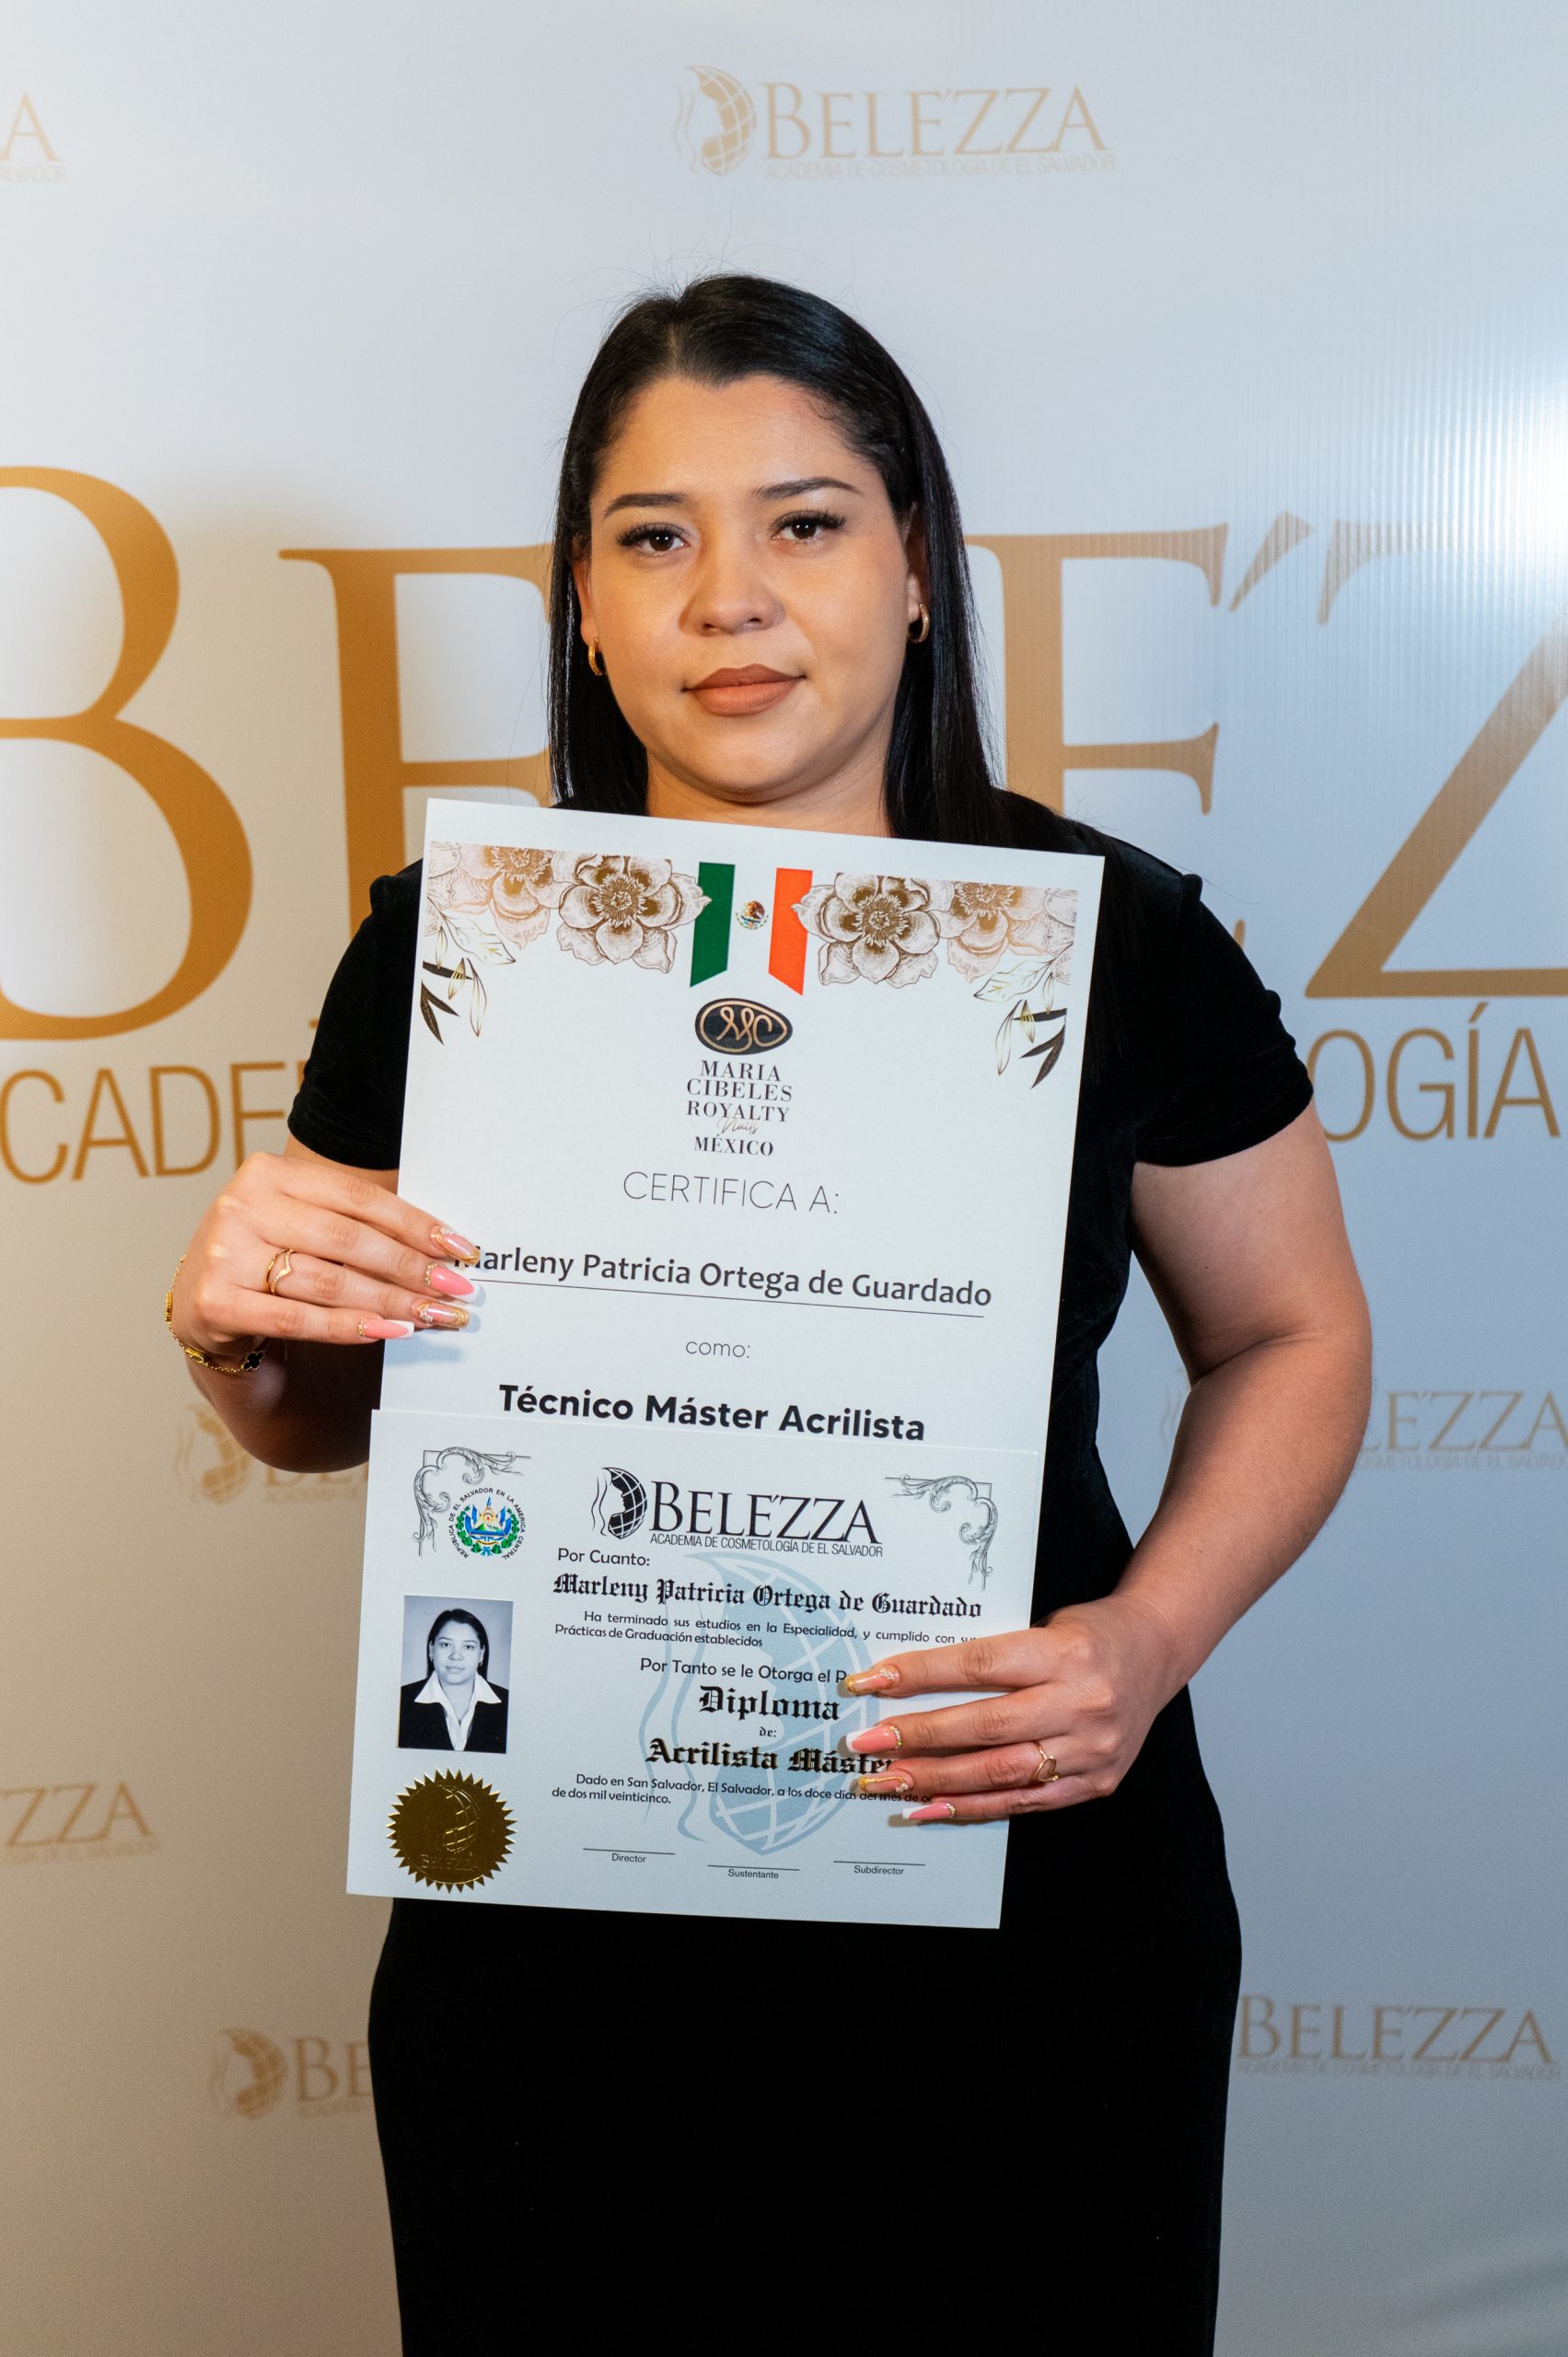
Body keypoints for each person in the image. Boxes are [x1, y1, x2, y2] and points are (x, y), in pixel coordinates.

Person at [165, 274, 1370, 2351]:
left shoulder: (1118, 943)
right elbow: (322, 1409)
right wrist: (236, 1329)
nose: (728, 595)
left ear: (916, 570)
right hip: (561, 1929)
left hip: (1020, 1877)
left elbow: (1294, 1334)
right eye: (656, 536)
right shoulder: (458, 956)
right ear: (582, 603)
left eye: (804, 521)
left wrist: (1147, 1641)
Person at [398, 1608, 509, 1754]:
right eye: (446, 1644)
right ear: (431, 1649)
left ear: (481, 1654)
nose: (456, 1656)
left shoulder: (508, 1703)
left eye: (468, 1647)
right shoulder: (400, 1700)